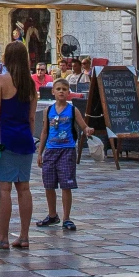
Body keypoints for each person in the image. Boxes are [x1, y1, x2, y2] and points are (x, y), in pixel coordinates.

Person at [0, 40, 39, 250]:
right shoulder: (31, 84)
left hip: (5, 139)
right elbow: (32, 117)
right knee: (24, 188)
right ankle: (24, 236)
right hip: (24, 139)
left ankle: (2, 237)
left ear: (6, 57)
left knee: (4, 188)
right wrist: (29, 137)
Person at [36, 76, 87, 231]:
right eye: (58, 89)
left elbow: (83, 126)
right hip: (51, 150)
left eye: (64, 89)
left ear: (68, 93)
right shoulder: (48, 110)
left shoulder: (73, 110)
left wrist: (88, 130)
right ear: (53, 92)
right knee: (49, 184)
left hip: (67, 150)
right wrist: (40, 153)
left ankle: (67, 218)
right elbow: (44, 132)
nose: (61, 92)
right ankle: (52, 215)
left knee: (66, 184)